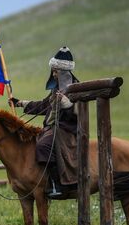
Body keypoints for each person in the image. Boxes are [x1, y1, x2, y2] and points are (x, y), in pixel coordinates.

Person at [9, 47, 79, 198]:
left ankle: (56, 184)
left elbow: (80, 113)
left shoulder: (76, 88)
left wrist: (68, 104)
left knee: (43, 145)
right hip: (51, 128)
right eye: (53, 71)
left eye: (56, 71)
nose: (54, 74)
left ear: (64, 71)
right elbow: (44, 105)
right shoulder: (56, 90)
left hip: (66, 130)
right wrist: (21, 103)